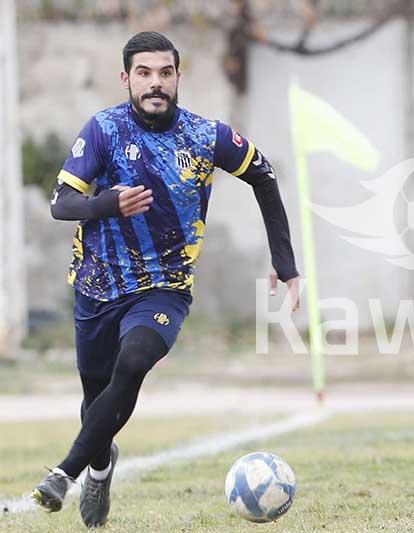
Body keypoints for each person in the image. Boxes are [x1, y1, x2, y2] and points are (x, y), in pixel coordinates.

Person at [31, 31, 300, 527]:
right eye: (144, 73)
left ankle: (63, 474)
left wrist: (285, 262)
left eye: (165, 73)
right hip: (97, 286)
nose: (156, 83)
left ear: (178, 77)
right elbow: (60, 204)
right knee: (96, 401)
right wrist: (109, 201)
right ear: (126, 79)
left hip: (165, 287)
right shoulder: (103, 130)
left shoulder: (205, 136)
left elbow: (264, 175)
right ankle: (99, 466)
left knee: (133, 362)